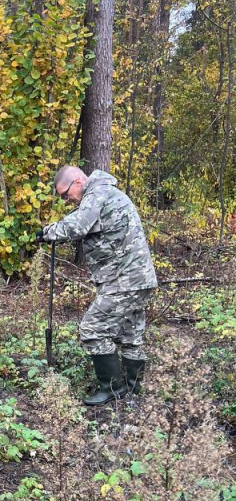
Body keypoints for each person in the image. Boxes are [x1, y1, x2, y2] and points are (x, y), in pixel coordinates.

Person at [38, 166, 157, 405]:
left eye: (65, 193)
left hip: (123, 280)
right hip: (137, 278)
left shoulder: (97, 194)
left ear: (79, 181)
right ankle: (132, 392)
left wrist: (46, 232)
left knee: (92, 330)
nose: (66, 199)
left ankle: (111, 390)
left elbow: (77, 226)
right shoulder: (108, 193)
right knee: (131, 334)